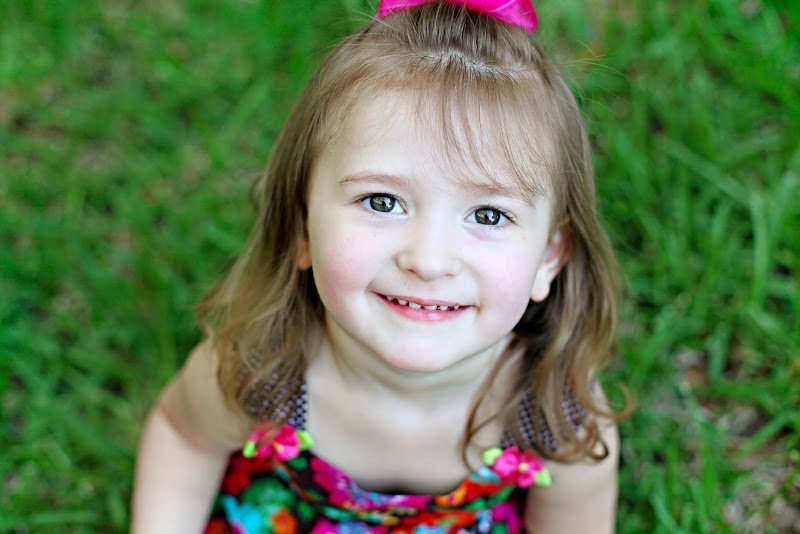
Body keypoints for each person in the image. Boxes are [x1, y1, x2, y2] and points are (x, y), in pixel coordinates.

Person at [132, 1, 629, 532]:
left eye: (488, 214)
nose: (428, 261)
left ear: (549, 257)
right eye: (382, 202)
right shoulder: (262, 366)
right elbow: (184, 437)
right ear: (303, 227)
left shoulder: (554, 412)